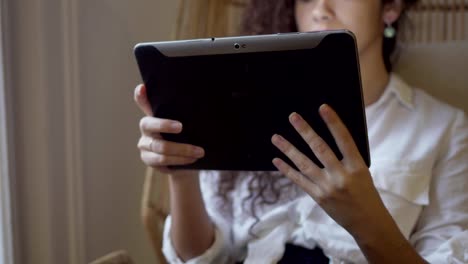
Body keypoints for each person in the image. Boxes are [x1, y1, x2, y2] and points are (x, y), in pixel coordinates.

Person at [134, 0, 468, 263]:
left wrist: (367, 221)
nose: (321, 9)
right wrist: (181, 175)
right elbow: (199, 259)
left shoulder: (444, 129)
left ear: (390, 6)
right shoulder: (238, 108)